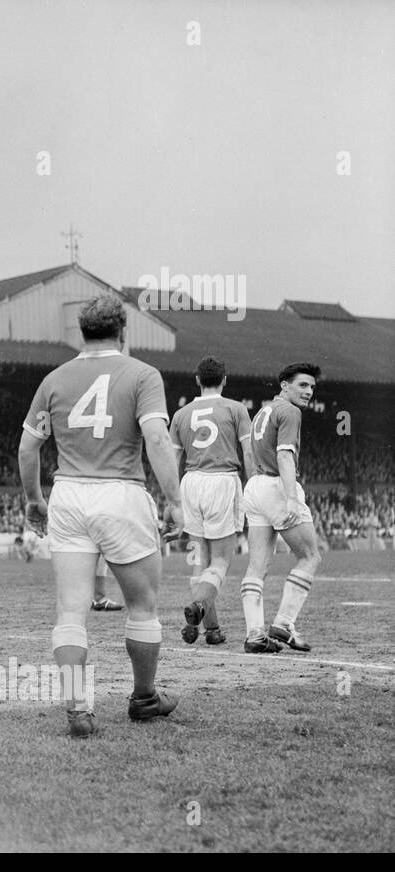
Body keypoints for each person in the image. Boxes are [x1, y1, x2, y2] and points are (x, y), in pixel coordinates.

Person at [18, 295, 184, 738]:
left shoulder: (55, 379)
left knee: (70, 612)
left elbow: (27, 448)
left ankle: (78, 708)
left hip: (69, 493)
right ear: (123, 331)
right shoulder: (142, 374)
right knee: (143, 607)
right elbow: (156, 438)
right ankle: (144, 698)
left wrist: (35, 499)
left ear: (81, 332)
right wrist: (175, 499)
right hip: (121, 494)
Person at [170, 356, 255, 646]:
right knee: (220, 562)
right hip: (221, 481)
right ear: (224, 379)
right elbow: (248, 452)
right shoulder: (235, 409)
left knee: (200, 562)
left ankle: (212, 629)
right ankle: (198, 608)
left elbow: (172, 462)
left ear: (197, 380)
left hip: (190, 483)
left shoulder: (181, 415)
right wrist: (253, 487)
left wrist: (172, 502)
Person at [240, 363, 324, 653]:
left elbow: (251, 451)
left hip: (255, 487)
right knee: (310, 556)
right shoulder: (290, 412)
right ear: (284, 385)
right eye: (302, 385)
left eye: (312, 387)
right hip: (276, 486)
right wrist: (290, 497)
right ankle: (284, 624)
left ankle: (254, 635)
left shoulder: (263, 411)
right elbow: (285, 455)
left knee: (257, 566)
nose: (309, 391)